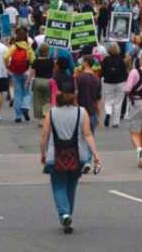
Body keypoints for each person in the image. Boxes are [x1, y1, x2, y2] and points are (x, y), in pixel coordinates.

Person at [40, 80, 101, 234]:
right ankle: (68, 214)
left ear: (58, 94)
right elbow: (87, 135)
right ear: (74, 95)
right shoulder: (82, 112)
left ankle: (64, 213)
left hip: (56, 154)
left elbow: (44, 135)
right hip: (78, 154)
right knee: (71, 186)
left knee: (58, 185)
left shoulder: (51, 113)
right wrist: (95, 155)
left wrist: (43, 153)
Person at [4, 29, 35, 123]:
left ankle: (18, 116)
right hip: (26, 71)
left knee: (17, 93)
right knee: (26, 91)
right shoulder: (28, 47)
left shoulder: (14, 46)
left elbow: (5, 56)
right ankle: (25, 107)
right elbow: (33, 60)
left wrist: (7, 66)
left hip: (15, 72)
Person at [101, 43, 127, 128]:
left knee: (108, 100)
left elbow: (102, 71)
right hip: (120, 82)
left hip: (108, 82)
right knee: (118, 102)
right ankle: (115, 122)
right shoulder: (121, 60)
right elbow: (124, 72)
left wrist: (104, 77)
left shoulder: (105, 59)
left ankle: (108, 113)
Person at [28, 43, 54, 126]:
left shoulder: (36, 61)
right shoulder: (51, 61)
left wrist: (28, 81)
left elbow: (32, 72)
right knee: (46, 101)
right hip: (48, 81)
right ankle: (45, 117)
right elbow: (54, 72)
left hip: (38, 81)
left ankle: (39, 120)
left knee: (37, 101)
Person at [75, 55, 102, 134]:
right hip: (91, 112)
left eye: (83, 61)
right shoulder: (97, 79)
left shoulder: (78, 77)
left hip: (79, 112)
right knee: (90, 137)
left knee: (79, 139)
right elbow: (98, 99)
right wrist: (98, 116)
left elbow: (75, 95)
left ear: (86, 63)